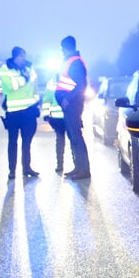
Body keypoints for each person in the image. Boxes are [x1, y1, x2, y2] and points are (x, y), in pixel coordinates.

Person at [0, 46, 39, 179]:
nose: (23, 59)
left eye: (24, 56)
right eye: (21, 57)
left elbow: (35, 86)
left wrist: (35, 102)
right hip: (13, 112)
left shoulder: (29, 68)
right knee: (12, 142)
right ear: (14, 57)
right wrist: (25, 79)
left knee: (27, 143)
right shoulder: (5, 69)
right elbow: (11, 86)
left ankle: (27, 168)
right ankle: (12, 170)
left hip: (28, 111)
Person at [54, 35, 90, 180]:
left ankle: (84, 170)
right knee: (73, 137)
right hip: (70, 104)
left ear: (65, 47)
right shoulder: (70, 61)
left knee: (76, 137)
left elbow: (81, 85)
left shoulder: (75, 63)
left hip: (73, 104)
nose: (61, 51)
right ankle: (78, 167)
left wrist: (67, 99)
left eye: (62, 48)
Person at [41, 73, 70, 174]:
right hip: (60, 117)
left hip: (64, 116)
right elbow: (47, 100)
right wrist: (46, 115)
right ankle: (60, 164)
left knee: (64, 141)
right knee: (63, 141)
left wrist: (46, 115)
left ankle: (62, 165)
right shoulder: (52, 83)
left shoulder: (53, 82)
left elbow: (46, 100)